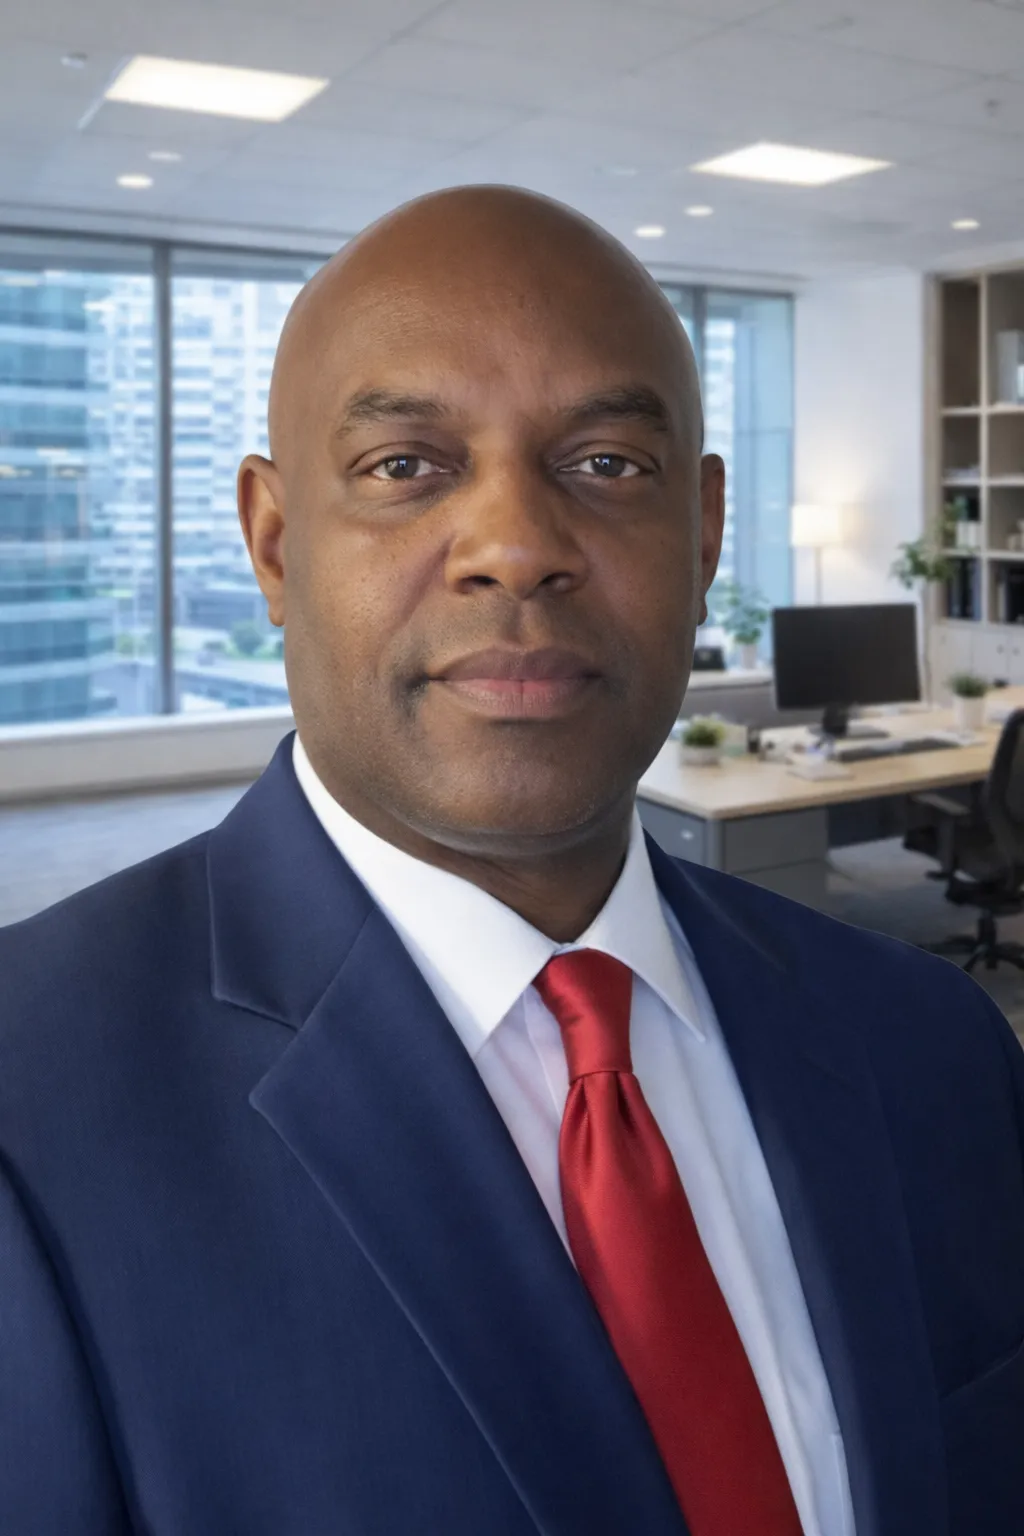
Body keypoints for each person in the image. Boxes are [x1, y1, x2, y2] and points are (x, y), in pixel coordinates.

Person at [1, 186, 1022, 1536]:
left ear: (706, 535)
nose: (519, 549)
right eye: (406, 466)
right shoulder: (32, 1107)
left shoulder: (933, 1045)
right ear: (276, 542)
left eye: (606, 465)